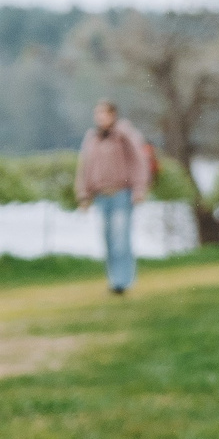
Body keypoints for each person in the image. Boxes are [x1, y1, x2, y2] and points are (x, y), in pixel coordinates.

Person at [73, 100, 151, 294]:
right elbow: (85, 167)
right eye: (97, 114)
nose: (100, 118)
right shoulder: (92, 138)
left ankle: (123, 282)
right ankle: (114, 280)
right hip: (102, 196)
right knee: (108, 241)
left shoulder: (124, 135)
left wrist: (139, 189)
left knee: (121, 240)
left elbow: (138, 162)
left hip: (121, 195)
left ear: (113, 115)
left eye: (104, 114)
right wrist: (83, 194)